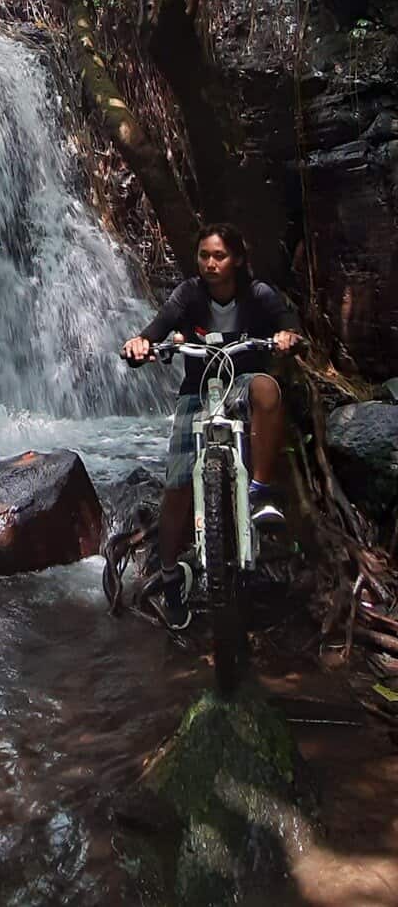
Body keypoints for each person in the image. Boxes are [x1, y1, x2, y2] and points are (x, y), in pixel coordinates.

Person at [122, 222, 302, 631]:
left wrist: (287, 337)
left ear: (236, 259)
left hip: (242, 382)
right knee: (177, 488)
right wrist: (141, 343)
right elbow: (156, 329)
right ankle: (171, 578)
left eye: (219, 255)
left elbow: (287, 323)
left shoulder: (258, 294)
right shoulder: (188, 294)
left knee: (267, 389)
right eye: (204, 255)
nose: (210, 263)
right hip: (197, 391)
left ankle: (260, 492)